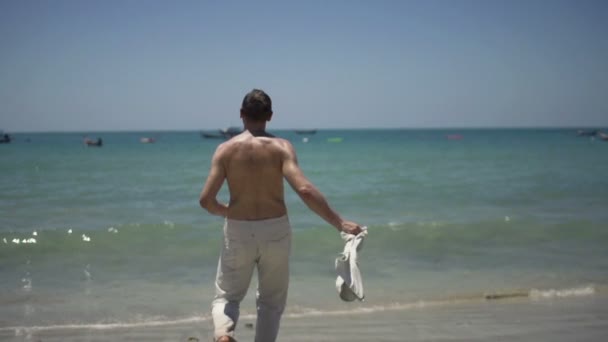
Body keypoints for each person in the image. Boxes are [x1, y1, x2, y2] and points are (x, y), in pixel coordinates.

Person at [199, 89, 362, 342]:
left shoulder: (225, 150)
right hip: (275, 229)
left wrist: (230, 212)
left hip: (238, 228)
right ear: (270, 116)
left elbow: (206, 201)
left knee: (227, 296)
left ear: (241, 114)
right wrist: (339, 222)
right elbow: (305, 190)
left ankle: (224, 335)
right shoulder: (282, 147)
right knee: (271, 302)